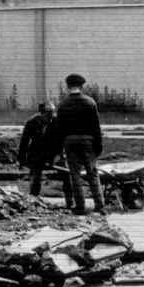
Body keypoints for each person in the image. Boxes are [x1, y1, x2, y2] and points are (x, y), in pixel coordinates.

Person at [46, 73, 106, 215]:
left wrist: (59, 150)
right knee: (92, 173)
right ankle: (100, 205)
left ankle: (80, 206)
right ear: (81, 86)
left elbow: (59, 130)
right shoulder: (90, 102)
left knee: (75, 174)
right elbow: (96, 127)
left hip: (70, 141)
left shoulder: (63, 104)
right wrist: (98, 145)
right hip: (87, 141)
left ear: (68, 86)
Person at [18, 100, 56, 197]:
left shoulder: (56, 121)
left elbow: (60, 140)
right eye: (48, 114)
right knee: (36, 175)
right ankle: (34, 197)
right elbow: (24, 142)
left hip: (52, 151)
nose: (51, 117)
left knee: (66, 175)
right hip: (37, 152)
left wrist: (57, 155)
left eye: (52, 113)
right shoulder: (32, 122)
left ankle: (70, 200)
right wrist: (22, 159)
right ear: (41, 113)